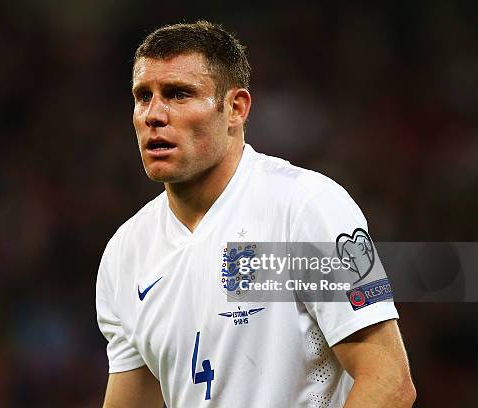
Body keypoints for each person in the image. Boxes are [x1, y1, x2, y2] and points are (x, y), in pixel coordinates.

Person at [96, 21, 416, 407]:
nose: (153, 115)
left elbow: (389, 381)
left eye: (179, 95)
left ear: (235, 108)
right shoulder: (126, 254)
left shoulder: (305, 209)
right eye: (143, 96)